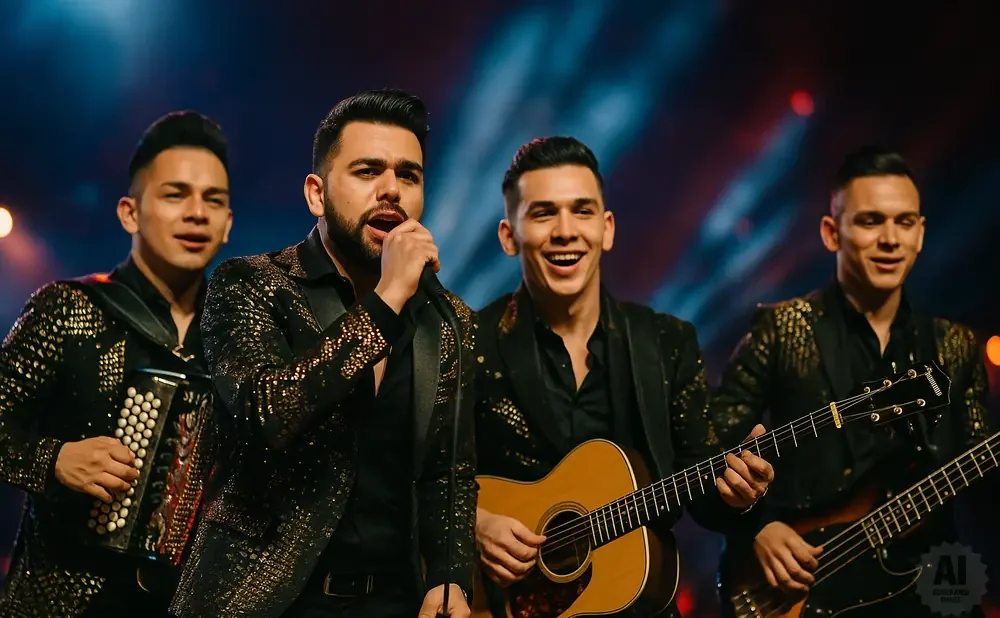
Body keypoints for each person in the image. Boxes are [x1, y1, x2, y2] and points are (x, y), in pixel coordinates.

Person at [169, 89, 477, 618]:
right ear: (316, 194)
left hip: (392, 600)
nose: (391, 191)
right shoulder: (250, 284)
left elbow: (448, 471)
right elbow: (266, 413)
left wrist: (450, 578)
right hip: (259, 601)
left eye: (409, 176)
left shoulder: (447, 319)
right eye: (367, 171)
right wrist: (387, 300)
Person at [473, 137, 775, 617]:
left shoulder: (665, 342)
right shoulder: (470, 343)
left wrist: (739, 495)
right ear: (510, 236)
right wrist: (474, 523)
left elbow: (703, 489)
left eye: (583, 211)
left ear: (607, 228)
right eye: (543, 213)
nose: (566, 231)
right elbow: (413, 473)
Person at [712, 146, 991, 617]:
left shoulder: (955, 346)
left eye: (904, 222)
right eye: (870, 221)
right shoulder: (783, 330)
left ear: (921, 234)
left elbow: (983, 482)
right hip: (802, 591)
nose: (890, 239)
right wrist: (755, 527)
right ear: (830, 232)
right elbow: (707, 447)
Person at [0, 111, 233, 617]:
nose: (197, 213)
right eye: (175, 195)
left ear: (229, 225)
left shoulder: (237, 338)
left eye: (213, 201)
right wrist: (54, 459)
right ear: (130, 212)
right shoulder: (68, 308)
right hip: (63, 601)